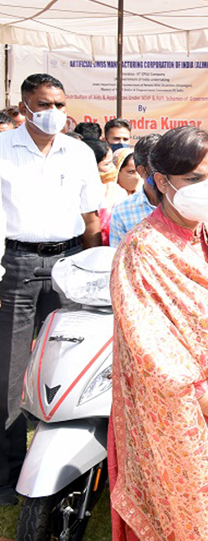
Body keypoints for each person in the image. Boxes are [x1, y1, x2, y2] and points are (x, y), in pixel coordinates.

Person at [108, 126, 208, 541]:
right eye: (194, 179)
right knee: (192, 521)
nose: (207, 188)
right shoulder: (142, 250)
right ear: (161, 181)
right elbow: (153, 350)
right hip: (185, 418)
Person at [0, 73, 103, 505]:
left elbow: (91, 219)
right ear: (24, 107)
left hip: (68, 266)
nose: (54, 114)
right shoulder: (3, 150)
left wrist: (96, 273)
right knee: (9, 374)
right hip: (17, 266)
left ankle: (66, 470)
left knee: (68, 364)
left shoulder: (78, 152)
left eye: (60, 104)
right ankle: (7, 477)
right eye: (45, 104)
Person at [109, 133, 161, 247]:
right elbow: (118, 258)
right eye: (156, 169)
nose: (163, 174)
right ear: (142, 171)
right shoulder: (122, 212)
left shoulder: (183, 204)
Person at [85, 139, 129, 246]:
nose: (112, 168)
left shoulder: (118, 192)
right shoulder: (79, 193)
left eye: (112, 163)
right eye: (106, 164)